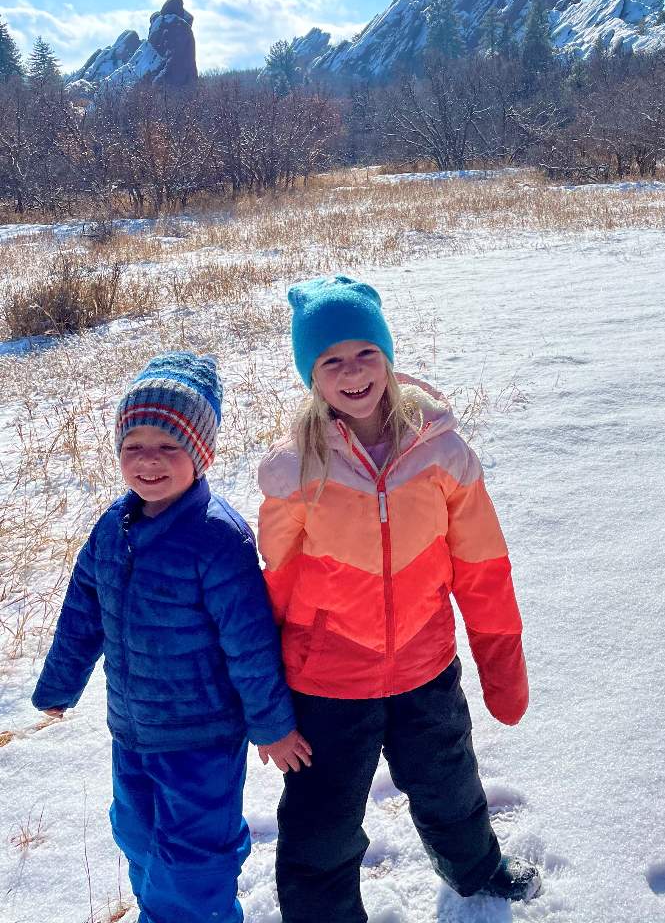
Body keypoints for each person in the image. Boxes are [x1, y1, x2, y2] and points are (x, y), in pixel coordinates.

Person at [257, 275, 540, 923]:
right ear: (312, 375)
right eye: (331, 360)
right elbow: (273, 584)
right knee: (321, 828)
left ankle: (478, 872)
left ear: (388, 356)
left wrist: (501, 663)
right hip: (327, 681)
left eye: (365, 353)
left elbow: (482, 566)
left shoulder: (441, 453)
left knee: (452, 789)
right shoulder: (298, 469)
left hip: (424, 668)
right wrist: (264, 702)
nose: (352, 372)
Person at [31, 352, 311, 923]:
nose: (149, 462)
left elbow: (249, 643)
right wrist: (58, 686)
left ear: (200, 455)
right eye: (134, 446)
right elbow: (83, 612)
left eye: (169, 447)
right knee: (135, 833)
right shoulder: (113, 527)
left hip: (200, 737)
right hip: (132, 729)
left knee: (194, 857)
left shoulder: (216, 538)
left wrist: (273, 726)